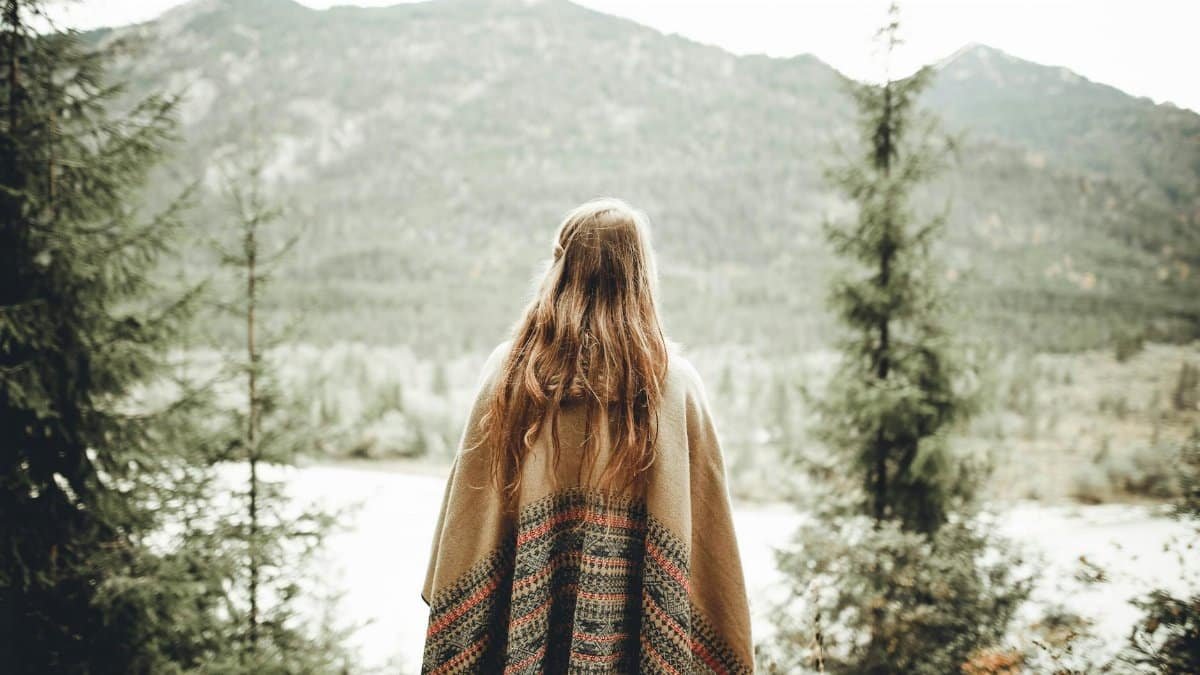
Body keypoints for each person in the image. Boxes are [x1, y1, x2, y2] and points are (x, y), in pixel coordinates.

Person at [421, 198, 753, 674]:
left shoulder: (508, 376)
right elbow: (709, 563)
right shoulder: (675, 388)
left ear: (561, 268)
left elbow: (466, 540)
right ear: (639, 276)